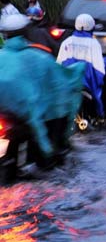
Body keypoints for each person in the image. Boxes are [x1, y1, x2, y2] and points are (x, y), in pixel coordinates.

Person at [0, 14, 85, 167]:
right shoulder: (39, 57)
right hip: (32, 120)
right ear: (26, 32)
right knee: (49, 160)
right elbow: (61, 85)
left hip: (11, 118)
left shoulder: (3, 56)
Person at [57, 13, 106, 124]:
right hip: (87, 85)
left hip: (69, 84)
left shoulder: (67, 42)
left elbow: (59, 65)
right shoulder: (93, 44)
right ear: (91, 26)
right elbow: (99, 70)